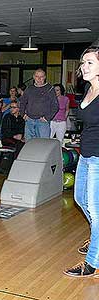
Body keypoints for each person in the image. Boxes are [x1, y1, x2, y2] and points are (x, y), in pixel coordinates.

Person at [64, 44, 99, 278]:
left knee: (97, 212)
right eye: (83, 63)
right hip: (85, 154)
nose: (83, 67)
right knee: (79, 199)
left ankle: (92, 263)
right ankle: (96, 234)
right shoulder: (87, 90)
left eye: (90, 63)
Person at [19, 69, 58, 140]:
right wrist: (22, 114)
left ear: (45, 77)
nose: (39, 79)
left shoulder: (50, 89)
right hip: (29, 121)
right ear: (33, 77)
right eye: (37, 76)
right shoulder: (29, 88)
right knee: (29, 145)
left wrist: (47, 117)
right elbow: (22, 102)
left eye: (41, 77)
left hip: (42, 122)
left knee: (43, 145)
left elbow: (55, 106)